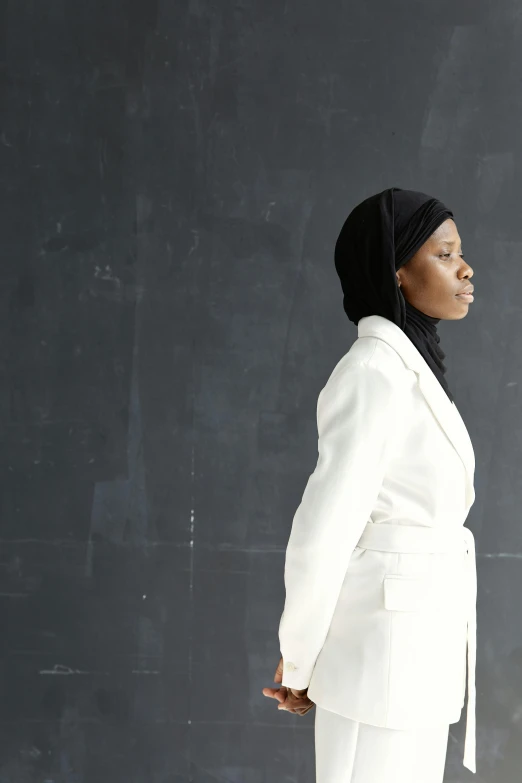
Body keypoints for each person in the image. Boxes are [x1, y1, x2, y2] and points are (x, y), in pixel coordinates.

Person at [262, 187, 478, 782]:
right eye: (444, 254)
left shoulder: (412, 364)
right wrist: (299, 659)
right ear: (397, 272)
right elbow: (323, 531)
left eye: (460, 253)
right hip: (379, 665)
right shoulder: (373, 370)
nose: (465, 268)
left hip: (418, 657)